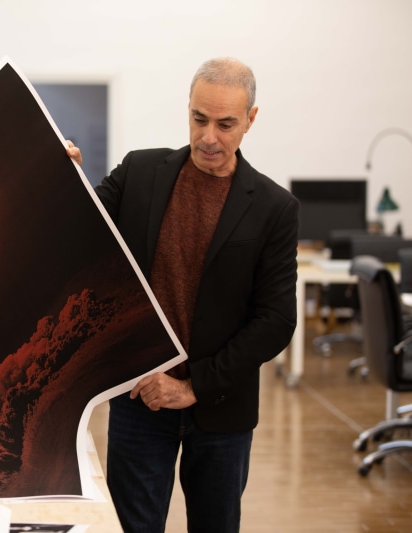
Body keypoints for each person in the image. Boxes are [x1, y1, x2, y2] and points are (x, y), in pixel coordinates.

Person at [66, 57, 298, 532]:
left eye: (225, 123)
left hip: (220, 409)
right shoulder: (140, 172)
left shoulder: (275, 208)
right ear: (188, 109)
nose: (209, 137)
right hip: (141, 400)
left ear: (251, 120)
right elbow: (79, 233)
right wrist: (60, 179)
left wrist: (194, 386)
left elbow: (275, 320)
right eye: (199, 119)